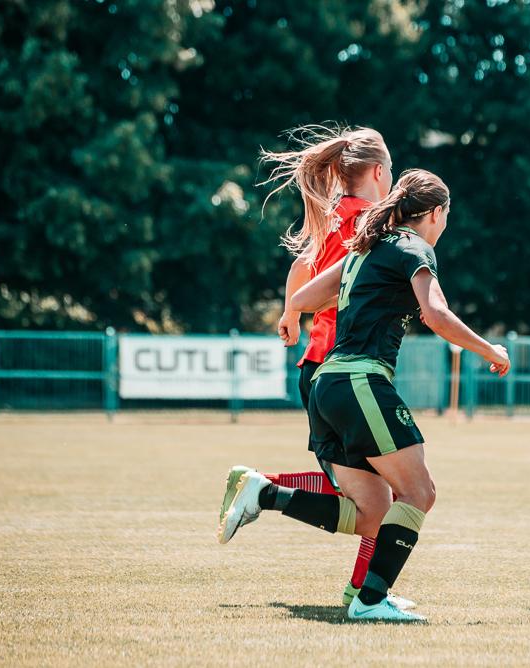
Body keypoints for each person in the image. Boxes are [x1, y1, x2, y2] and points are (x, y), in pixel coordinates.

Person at [218, 169, 511, 621]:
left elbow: (305, 297)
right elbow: (436, 314)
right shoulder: (415, 248)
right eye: (447, 215)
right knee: (419, 492)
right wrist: (490, 350)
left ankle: (266, 494)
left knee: (374, 511)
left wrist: (305, 309)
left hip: (326, 386)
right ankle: (370, 601)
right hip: (360, 382)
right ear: (435, 213)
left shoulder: (366, 248)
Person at [218, 124, 410, 609]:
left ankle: (361, 590)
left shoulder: (335, 216)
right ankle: (264, 489)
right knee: (374, 495)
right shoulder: (370, 222)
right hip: (342, 368)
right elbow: (337, 279)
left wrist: (292, 312)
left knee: (374, 492)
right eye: (390, 170)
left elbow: (303, 267)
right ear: (379, 172)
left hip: (322, 364)